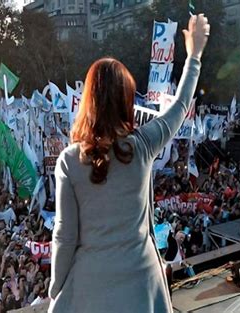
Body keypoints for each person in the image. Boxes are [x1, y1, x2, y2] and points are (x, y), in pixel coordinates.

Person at [48, 14, 209, 313]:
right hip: (142, 283)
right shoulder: (144, 144)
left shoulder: (69, 160)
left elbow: (65, 235)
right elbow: (181, 105)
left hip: (89, 285)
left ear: (88, 102)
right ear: (125, 100)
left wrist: (57, 288)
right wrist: (194, 56)